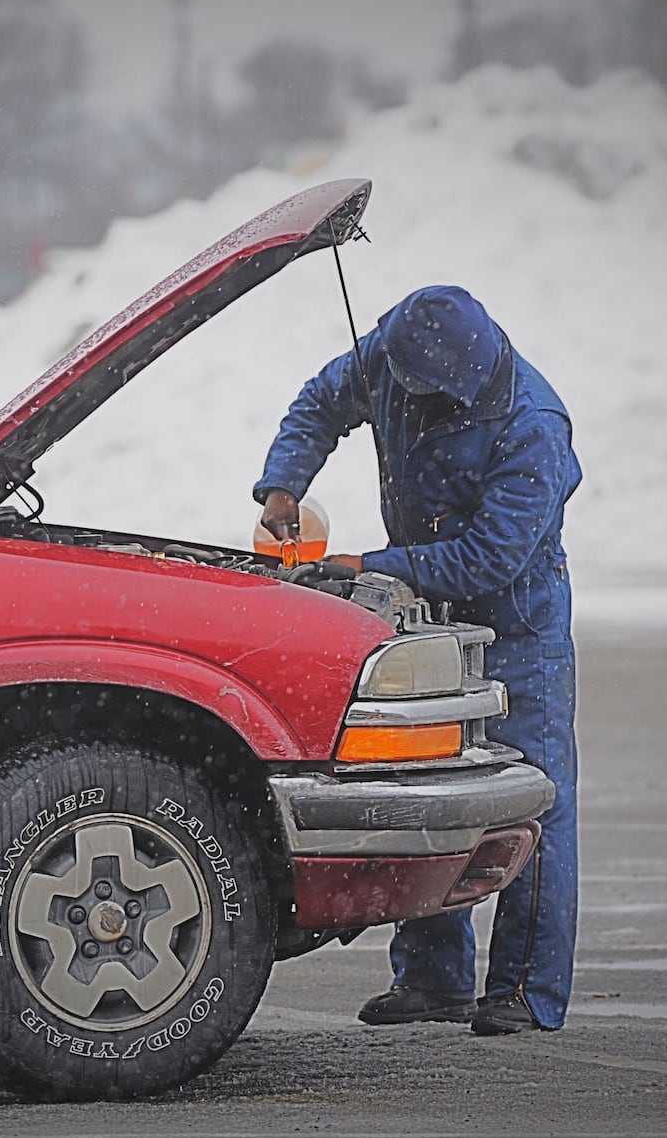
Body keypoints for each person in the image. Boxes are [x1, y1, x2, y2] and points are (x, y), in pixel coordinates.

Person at [253, 285, 581, 1035]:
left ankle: (528, 990)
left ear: (462, 379)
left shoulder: (532, 426)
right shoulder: (392, 354)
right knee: (426, 789)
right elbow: (321, 402)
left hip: (518, 628)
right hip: (425, 618)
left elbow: (487, 559)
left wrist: (366, 564)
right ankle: (434, 980)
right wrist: (282, 488)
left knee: (536, 803)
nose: (412, 402)